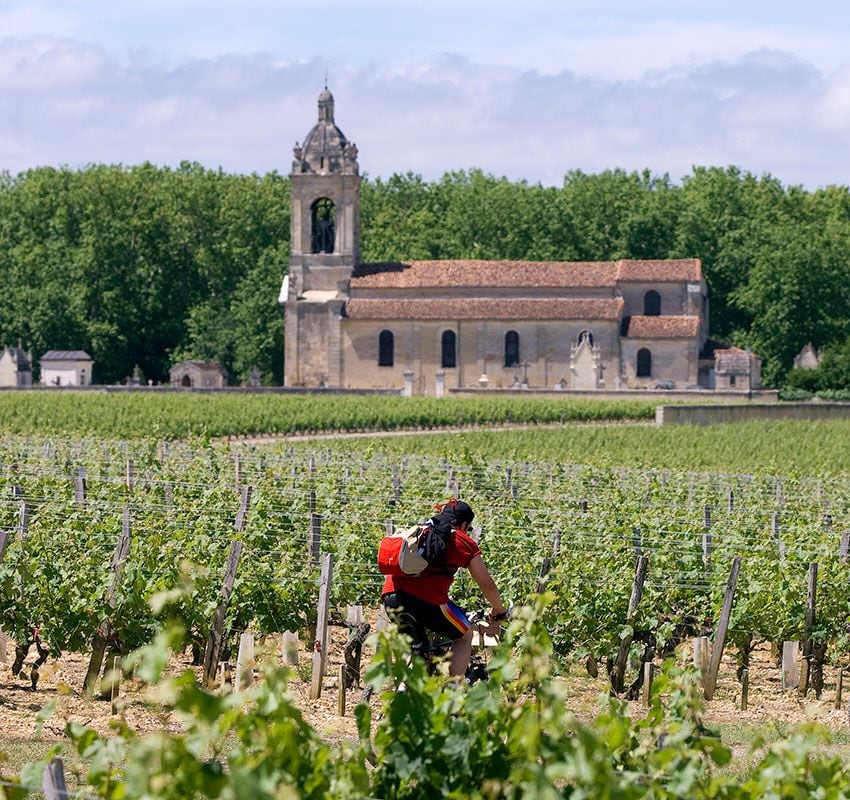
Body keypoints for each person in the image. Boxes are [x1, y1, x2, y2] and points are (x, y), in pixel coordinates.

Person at [381, 499, 508, 678]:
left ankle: (405, 690)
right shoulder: (462, 540)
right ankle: (454, 693)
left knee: (417, 651)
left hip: (391, 597)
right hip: (426, 601)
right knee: (465, 635)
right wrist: (498, 609)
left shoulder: (421, 530)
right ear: (464, 524)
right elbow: (487, 585)